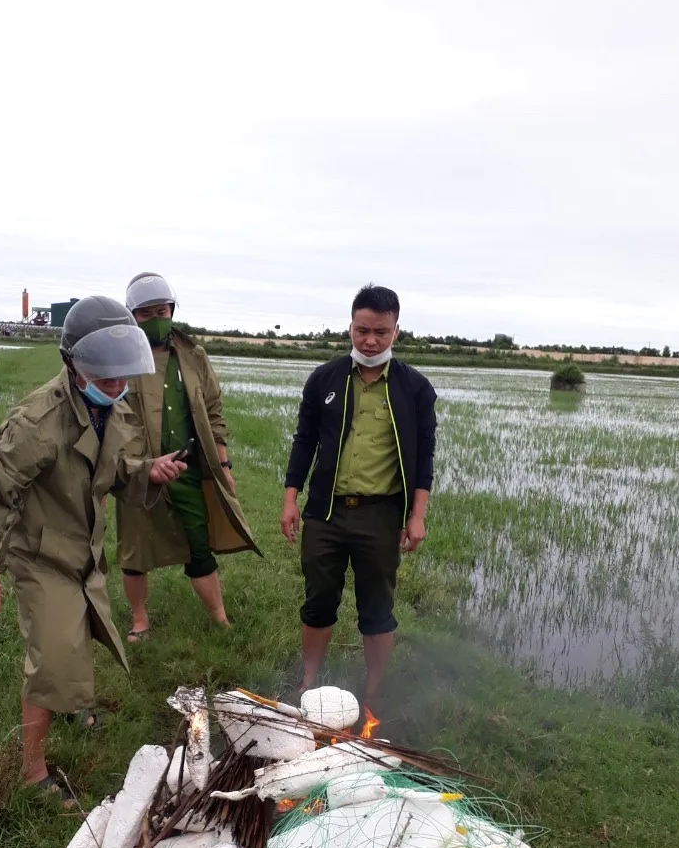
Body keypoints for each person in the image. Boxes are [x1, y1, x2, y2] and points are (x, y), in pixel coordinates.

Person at [0, 296, 186, 798]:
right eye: (106, 380)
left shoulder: (114, 412)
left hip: (83, 551)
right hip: (40, 554)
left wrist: (150, 471)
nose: (117, 387)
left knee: (80, 635)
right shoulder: (40, 421)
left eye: (122, 378)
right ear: (75, 366)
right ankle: (32, 773)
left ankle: (77, 706)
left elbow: (114, 473)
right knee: (52, 657)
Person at [280, 283, 437, 705]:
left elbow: (424, 459)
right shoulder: (324, 379)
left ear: (396, 332)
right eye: (362, 329)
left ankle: (373, 691)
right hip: (325, 513)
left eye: (381, 332)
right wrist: (290, 500)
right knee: (318, 601)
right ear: (350, 326)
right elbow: (303, 442)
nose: (370, 340)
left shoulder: (415, 388)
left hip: (381, 515)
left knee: (377, 610)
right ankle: (308, 681)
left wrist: (416, 515)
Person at [115, 271, 259, 640]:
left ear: (172, 310)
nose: (155, 318)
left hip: (187, 468)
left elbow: (213, 410)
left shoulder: (193, 356)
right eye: (145, 314)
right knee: (136, 553)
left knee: (199, 546)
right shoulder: (119, 358)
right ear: (132, 316)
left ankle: (220, 618)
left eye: (161, 310)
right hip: (137, 471)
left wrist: (223, 464)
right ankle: (140, 621)